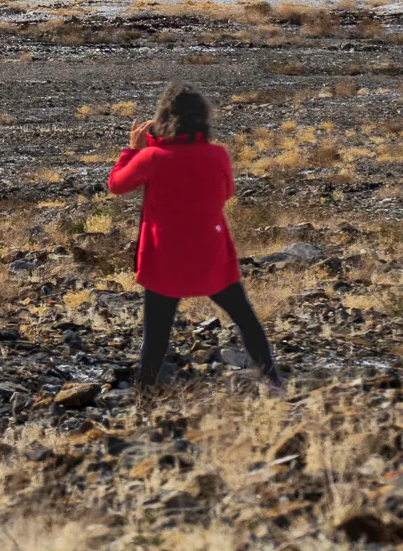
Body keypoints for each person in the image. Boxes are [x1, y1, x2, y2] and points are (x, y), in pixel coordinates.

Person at [106, 82, 283, 393]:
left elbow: (117, 185)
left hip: (165, 263)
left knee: (156, 336)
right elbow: (227, 192)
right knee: (247, 322)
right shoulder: (217, 155)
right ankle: (273, 380)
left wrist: (133, 150)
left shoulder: (152, 158)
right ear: (203, 119)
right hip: (211, 259)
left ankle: (145, 399)